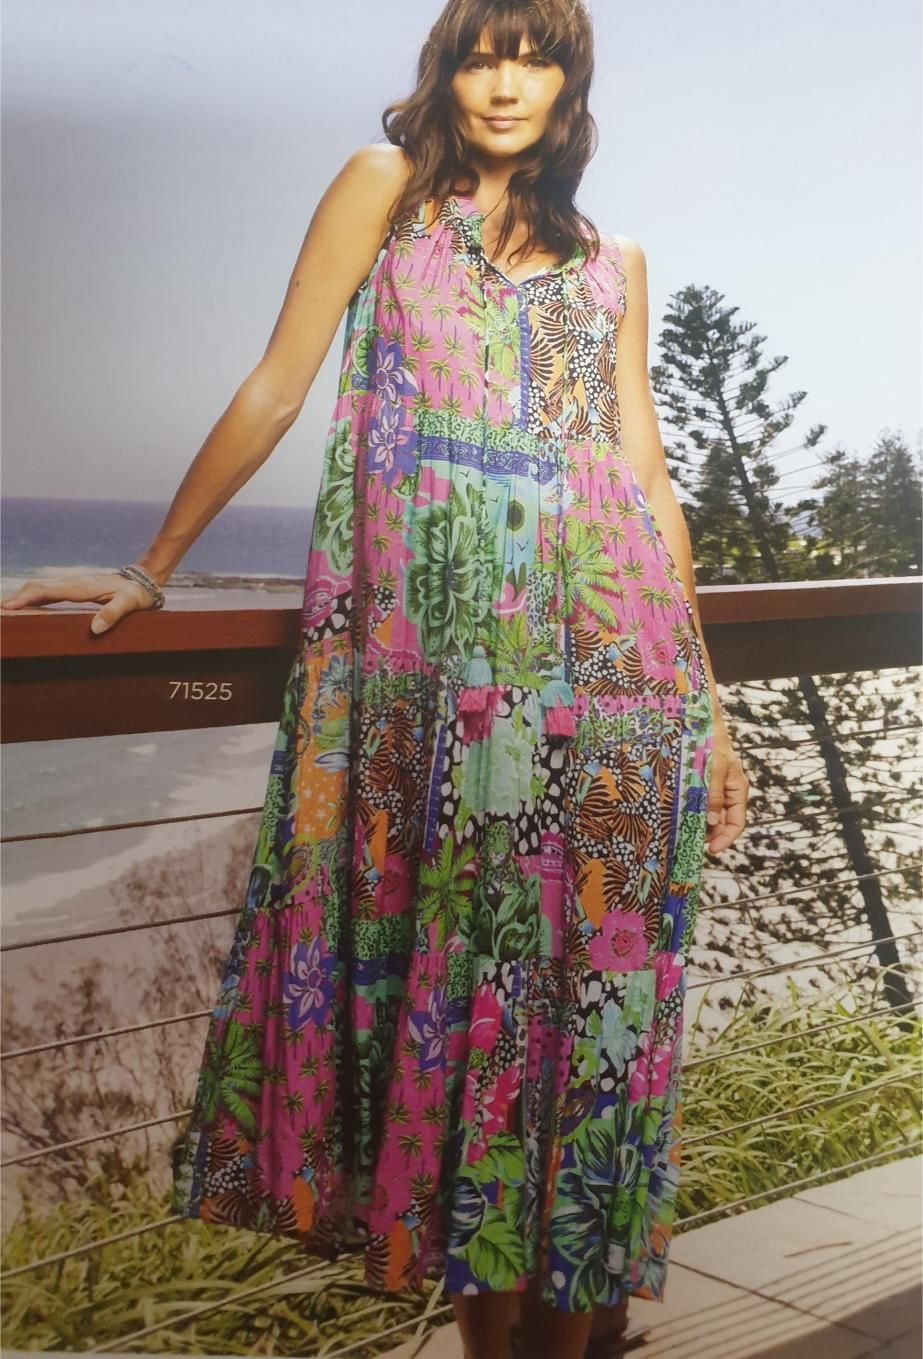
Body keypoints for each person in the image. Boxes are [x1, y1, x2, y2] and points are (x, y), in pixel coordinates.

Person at [1, 1, 749, 1355]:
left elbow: (643, 479)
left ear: (571, 81)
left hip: (618, 698)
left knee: (592, 1049)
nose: (505, 81)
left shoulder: (611, 262)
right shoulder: (384, 195)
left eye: (534, 55)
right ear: (445, 69)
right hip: (444, 710)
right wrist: (155, 567)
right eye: (481, 51)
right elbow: (281, 384)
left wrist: (704, 701)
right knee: (477, 1030)